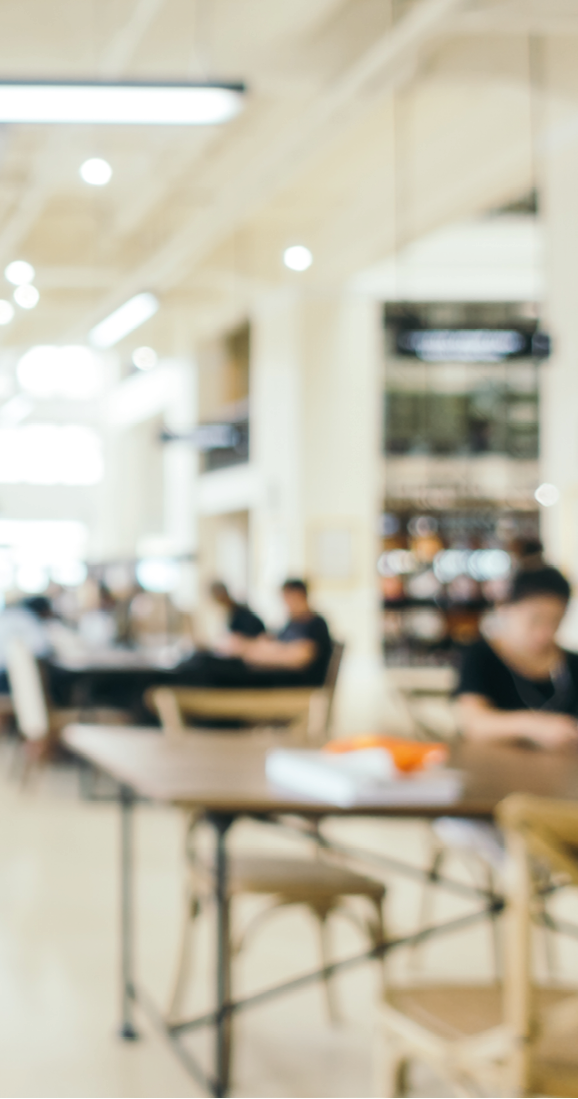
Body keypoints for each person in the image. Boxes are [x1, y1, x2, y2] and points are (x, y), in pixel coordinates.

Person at [456, 565, 578, 749]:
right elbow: (473, 723)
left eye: (556, 621)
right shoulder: (481, 655)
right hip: (497, 773)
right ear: (505, 608)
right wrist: (534, 726)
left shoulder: (572, 664)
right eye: (535, 620)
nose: (544, 633)